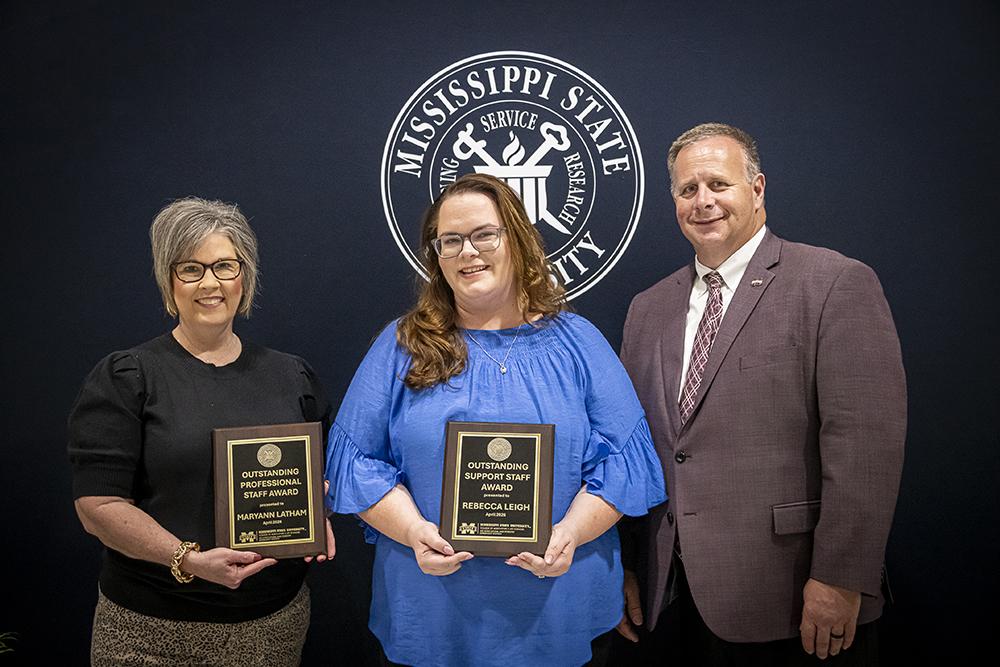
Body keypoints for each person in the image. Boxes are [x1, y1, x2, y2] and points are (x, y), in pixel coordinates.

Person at [324, 173, 666, 666]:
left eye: (485, 234)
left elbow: (626, 462)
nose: (469, 252)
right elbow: (354, 463)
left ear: (518, 240)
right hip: (433, 611)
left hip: (560, 607)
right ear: (436, 256)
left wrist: (570, 532)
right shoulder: (401, 346)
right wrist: (413, 531)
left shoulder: (579, 342)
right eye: (451, 240)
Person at [616, 123, 906, 665]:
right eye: (687, 190)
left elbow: (865, 448)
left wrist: (841, 577)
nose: (703, 202)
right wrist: (626, 565)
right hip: (670, 597)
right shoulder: (647, 308)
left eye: (718, 185)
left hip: (793, 597)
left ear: (757, 188)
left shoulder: (833, 283)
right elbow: (636, 449)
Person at [68, 197, 334, 666]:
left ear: (244, 277)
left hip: (272, 627)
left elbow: (320, 474)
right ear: (169, 281)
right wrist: (186, 559)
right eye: (191, 269)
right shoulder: (128, 376)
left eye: (225, 266)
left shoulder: (293, 377)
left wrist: (316, 512)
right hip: (150, 632)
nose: (210, 283)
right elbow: (98, 507)